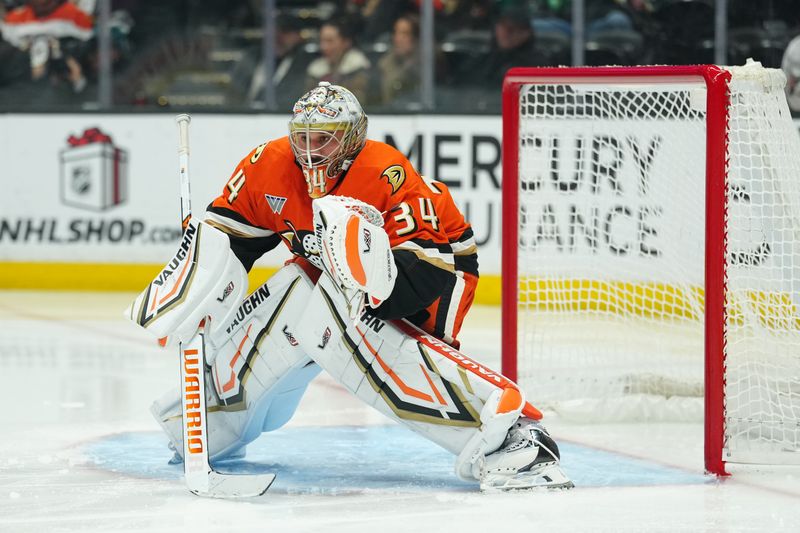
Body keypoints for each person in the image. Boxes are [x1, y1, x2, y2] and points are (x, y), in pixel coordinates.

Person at [130, 82, 573, 491]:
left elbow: (431, 265)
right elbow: (230, 237)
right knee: (296, 289)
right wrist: (198, 284)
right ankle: (210, 422)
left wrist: (370, 287)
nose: (310, 150)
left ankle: (515, 437)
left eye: (324, 137)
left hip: (435, 267)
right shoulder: (268, 165)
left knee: (349, 326)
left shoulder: (384, 172)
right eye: (302, 137)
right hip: (334, 271)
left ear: (353, 137)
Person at [305, 17, 371, 103]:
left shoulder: (359, 68)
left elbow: (357, 103)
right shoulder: (315, 70)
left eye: (330, 41)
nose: (323, 47)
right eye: (322, 41)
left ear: (346, 42)